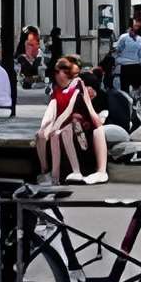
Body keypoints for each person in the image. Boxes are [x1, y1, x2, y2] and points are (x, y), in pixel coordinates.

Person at [35, 56, 108, 185]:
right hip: (72, 130)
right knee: (55, 132)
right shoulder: (67, 92)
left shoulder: (99, 98)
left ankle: (100, 171)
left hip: (87, 129)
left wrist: (88, 104)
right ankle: (52, 172)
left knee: (97, 130)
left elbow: (97, 121)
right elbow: (59, 110)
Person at [86, 61, 139, 167]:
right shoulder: (108, 95)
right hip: (114, 127)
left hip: (115, 127)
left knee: (98, 132)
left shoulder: (108, 97)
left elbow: (104, 119)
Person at [111, 10, 141, 123]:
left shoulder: (138, 35)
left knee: (137, 92)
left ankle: (138, 114)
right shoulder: (130, 35)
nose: (138, 25)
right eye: (137, 22)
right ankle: (136, 114)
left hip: (132, 67)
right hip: (132, 67)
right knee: (136, 92)